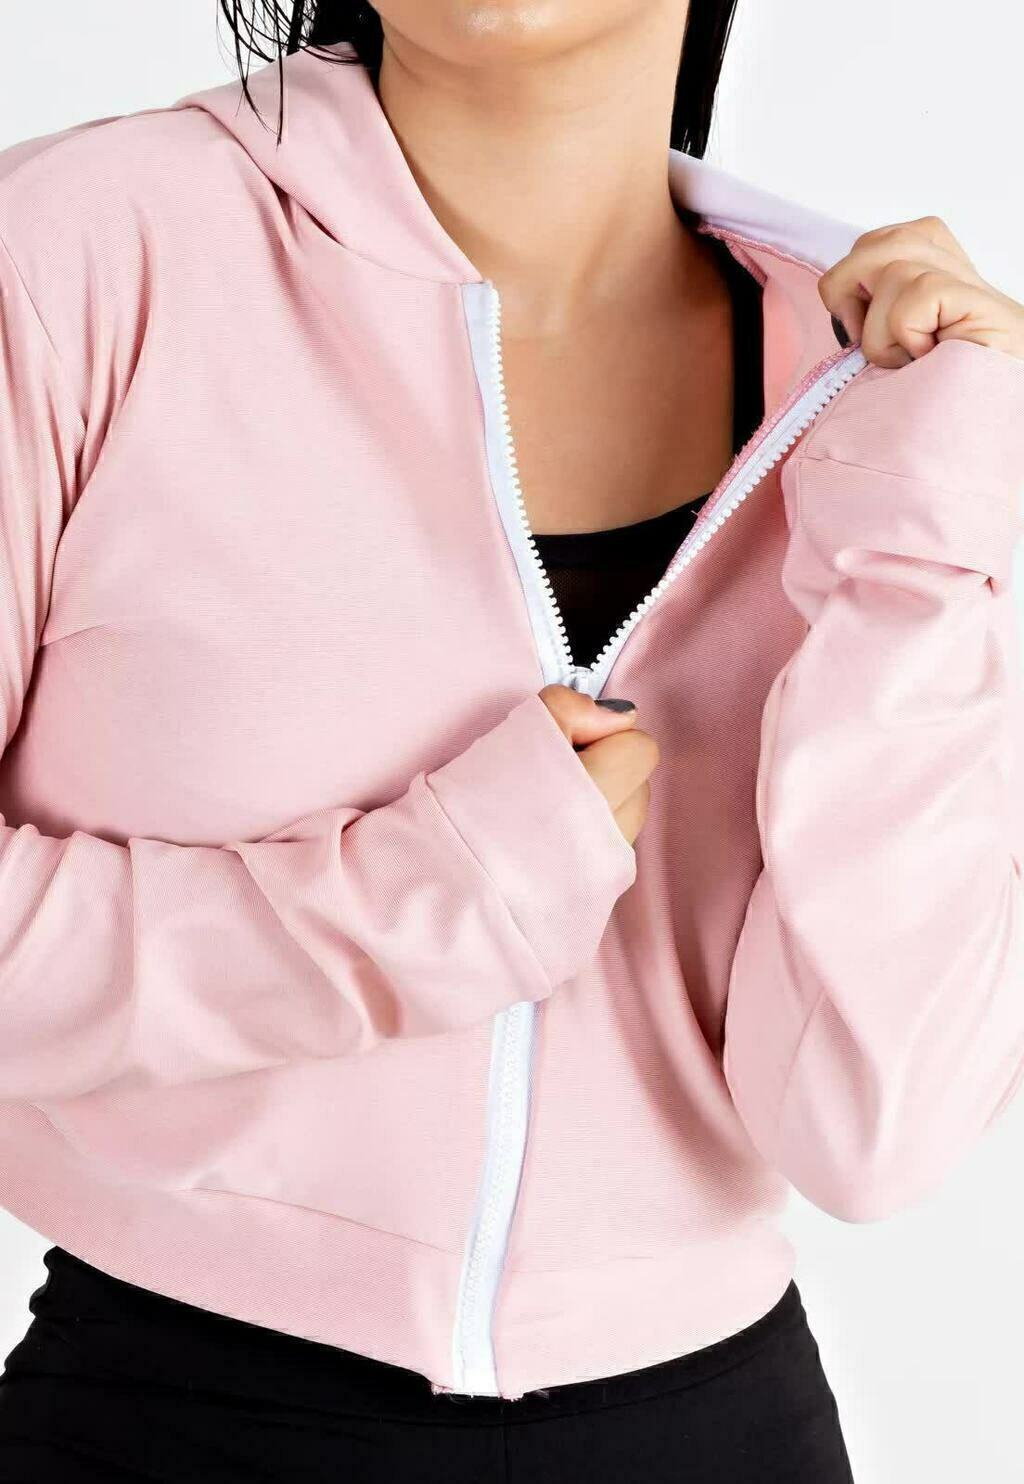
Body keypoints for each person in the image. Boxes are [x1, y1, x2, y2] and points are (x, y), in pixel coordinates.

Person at [1, 3, 1023, 1479]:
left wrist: (919, 553)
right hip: (171, 1414)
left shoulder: (877, 377)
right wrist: (422, 903)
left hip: (721, 1434)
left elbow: (878, 1131)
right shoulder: (81, 253)